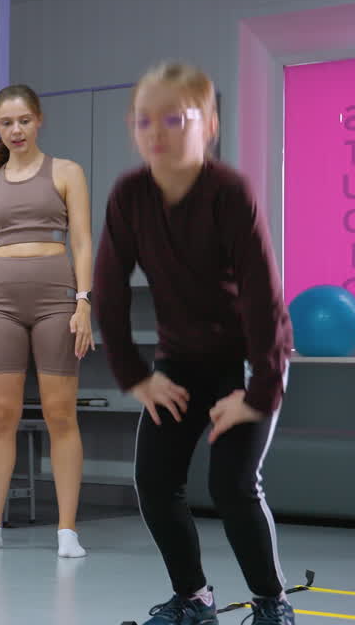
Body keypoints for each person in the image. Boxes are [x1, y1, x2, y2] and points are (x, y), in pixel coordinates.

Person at [93, 61, 295, 625]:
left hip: (249, 360)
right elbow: (107, 291)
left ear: (208, 124)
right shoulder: (129, 196)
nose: (156, 133)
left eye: (173, 119)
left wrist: (258, 393)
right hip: (179, 363)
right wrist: (136, 375)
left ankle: (272, 602)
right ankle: (194, 598)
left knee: (232, 485)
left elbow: (264, 300)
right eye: (142, 122)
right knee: (155, 483)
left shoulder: (229, 192)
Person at [0, 84, 95, 558]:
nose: (15, 130)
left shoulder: (67, 172)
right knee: (1, 416)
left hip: (58, 299)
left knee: (60, 414)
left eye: (23, 121)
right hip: (0, 304)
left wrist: (84, 301)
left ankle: (67, 530)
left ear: (39, 121)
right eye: (6, 123)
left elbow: (82, 242)